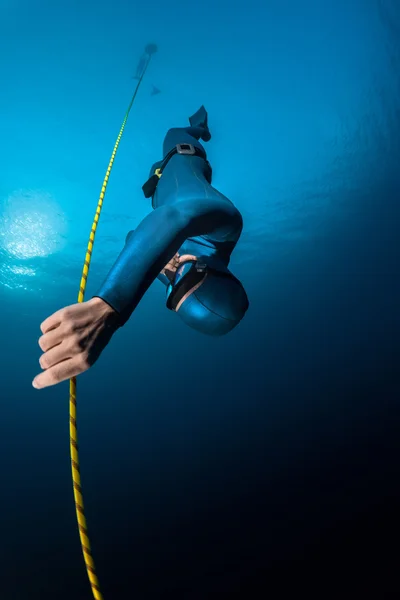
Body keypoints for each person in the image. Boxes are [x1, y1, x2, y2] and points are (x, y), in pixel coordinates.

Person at [32, 106, 249, 390]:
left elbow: (133, 236)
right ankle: (202, 129)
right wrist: (110, 306)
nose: (171, 276)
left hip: (159, 181)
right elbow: (174, 216)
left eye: (171, 291)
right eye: (185, 278)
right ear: (213, 269)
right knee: (175, 132)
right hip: (184, 153)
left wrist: (163, 268)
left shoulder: (175, 267)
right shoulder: (226, 225)